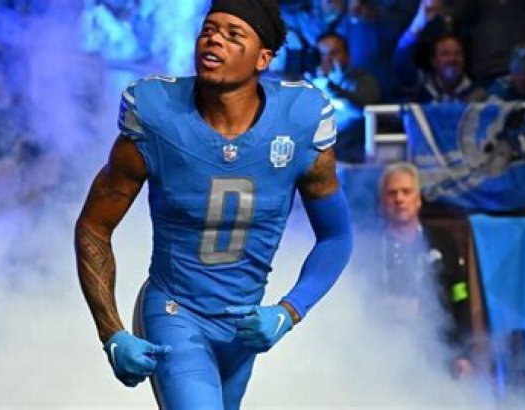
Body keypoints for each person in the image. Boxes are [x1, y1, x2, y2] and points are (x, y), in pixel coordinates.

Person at [74, 1, 354, 408]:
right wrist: (111, 333)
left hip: (242, 329)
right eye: (209, 30)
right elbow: (94, 225)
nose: (214, 39)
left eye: (233, 34)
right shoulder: (158, 115)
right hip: (175, 311)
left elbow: (337, 237)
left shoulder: (299, 121)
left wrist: (289, 311)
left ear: (263, 58)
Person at [351, 162, 473, 377]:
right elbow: (352, 303)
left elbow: (460, 299)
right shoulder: (366, 248)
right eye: (392, 193)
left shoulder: (444, 241)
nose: (399, 199)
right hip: (380, 353)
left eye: (406, 192)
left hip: (437, 352)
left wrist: (462, 353)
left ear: (418, 200)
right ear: (382, 203)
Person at [393, 0, 486, 103]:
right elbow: (401, 61)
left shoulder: (477, 94)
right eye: (445, 54)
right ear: (434, 61)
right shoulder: (423, 87)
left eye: (457, 54)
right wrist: (419, 22)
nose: (452, 59)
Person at [308, 31, 380, 163]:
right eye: (322, 54)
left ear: (348, 56)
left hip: (350, 154)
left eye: (334, 53)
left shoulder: (361, 79)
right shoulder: (307, 82)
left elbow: (363, 110)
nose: (328, 59)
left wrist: (329, 86)